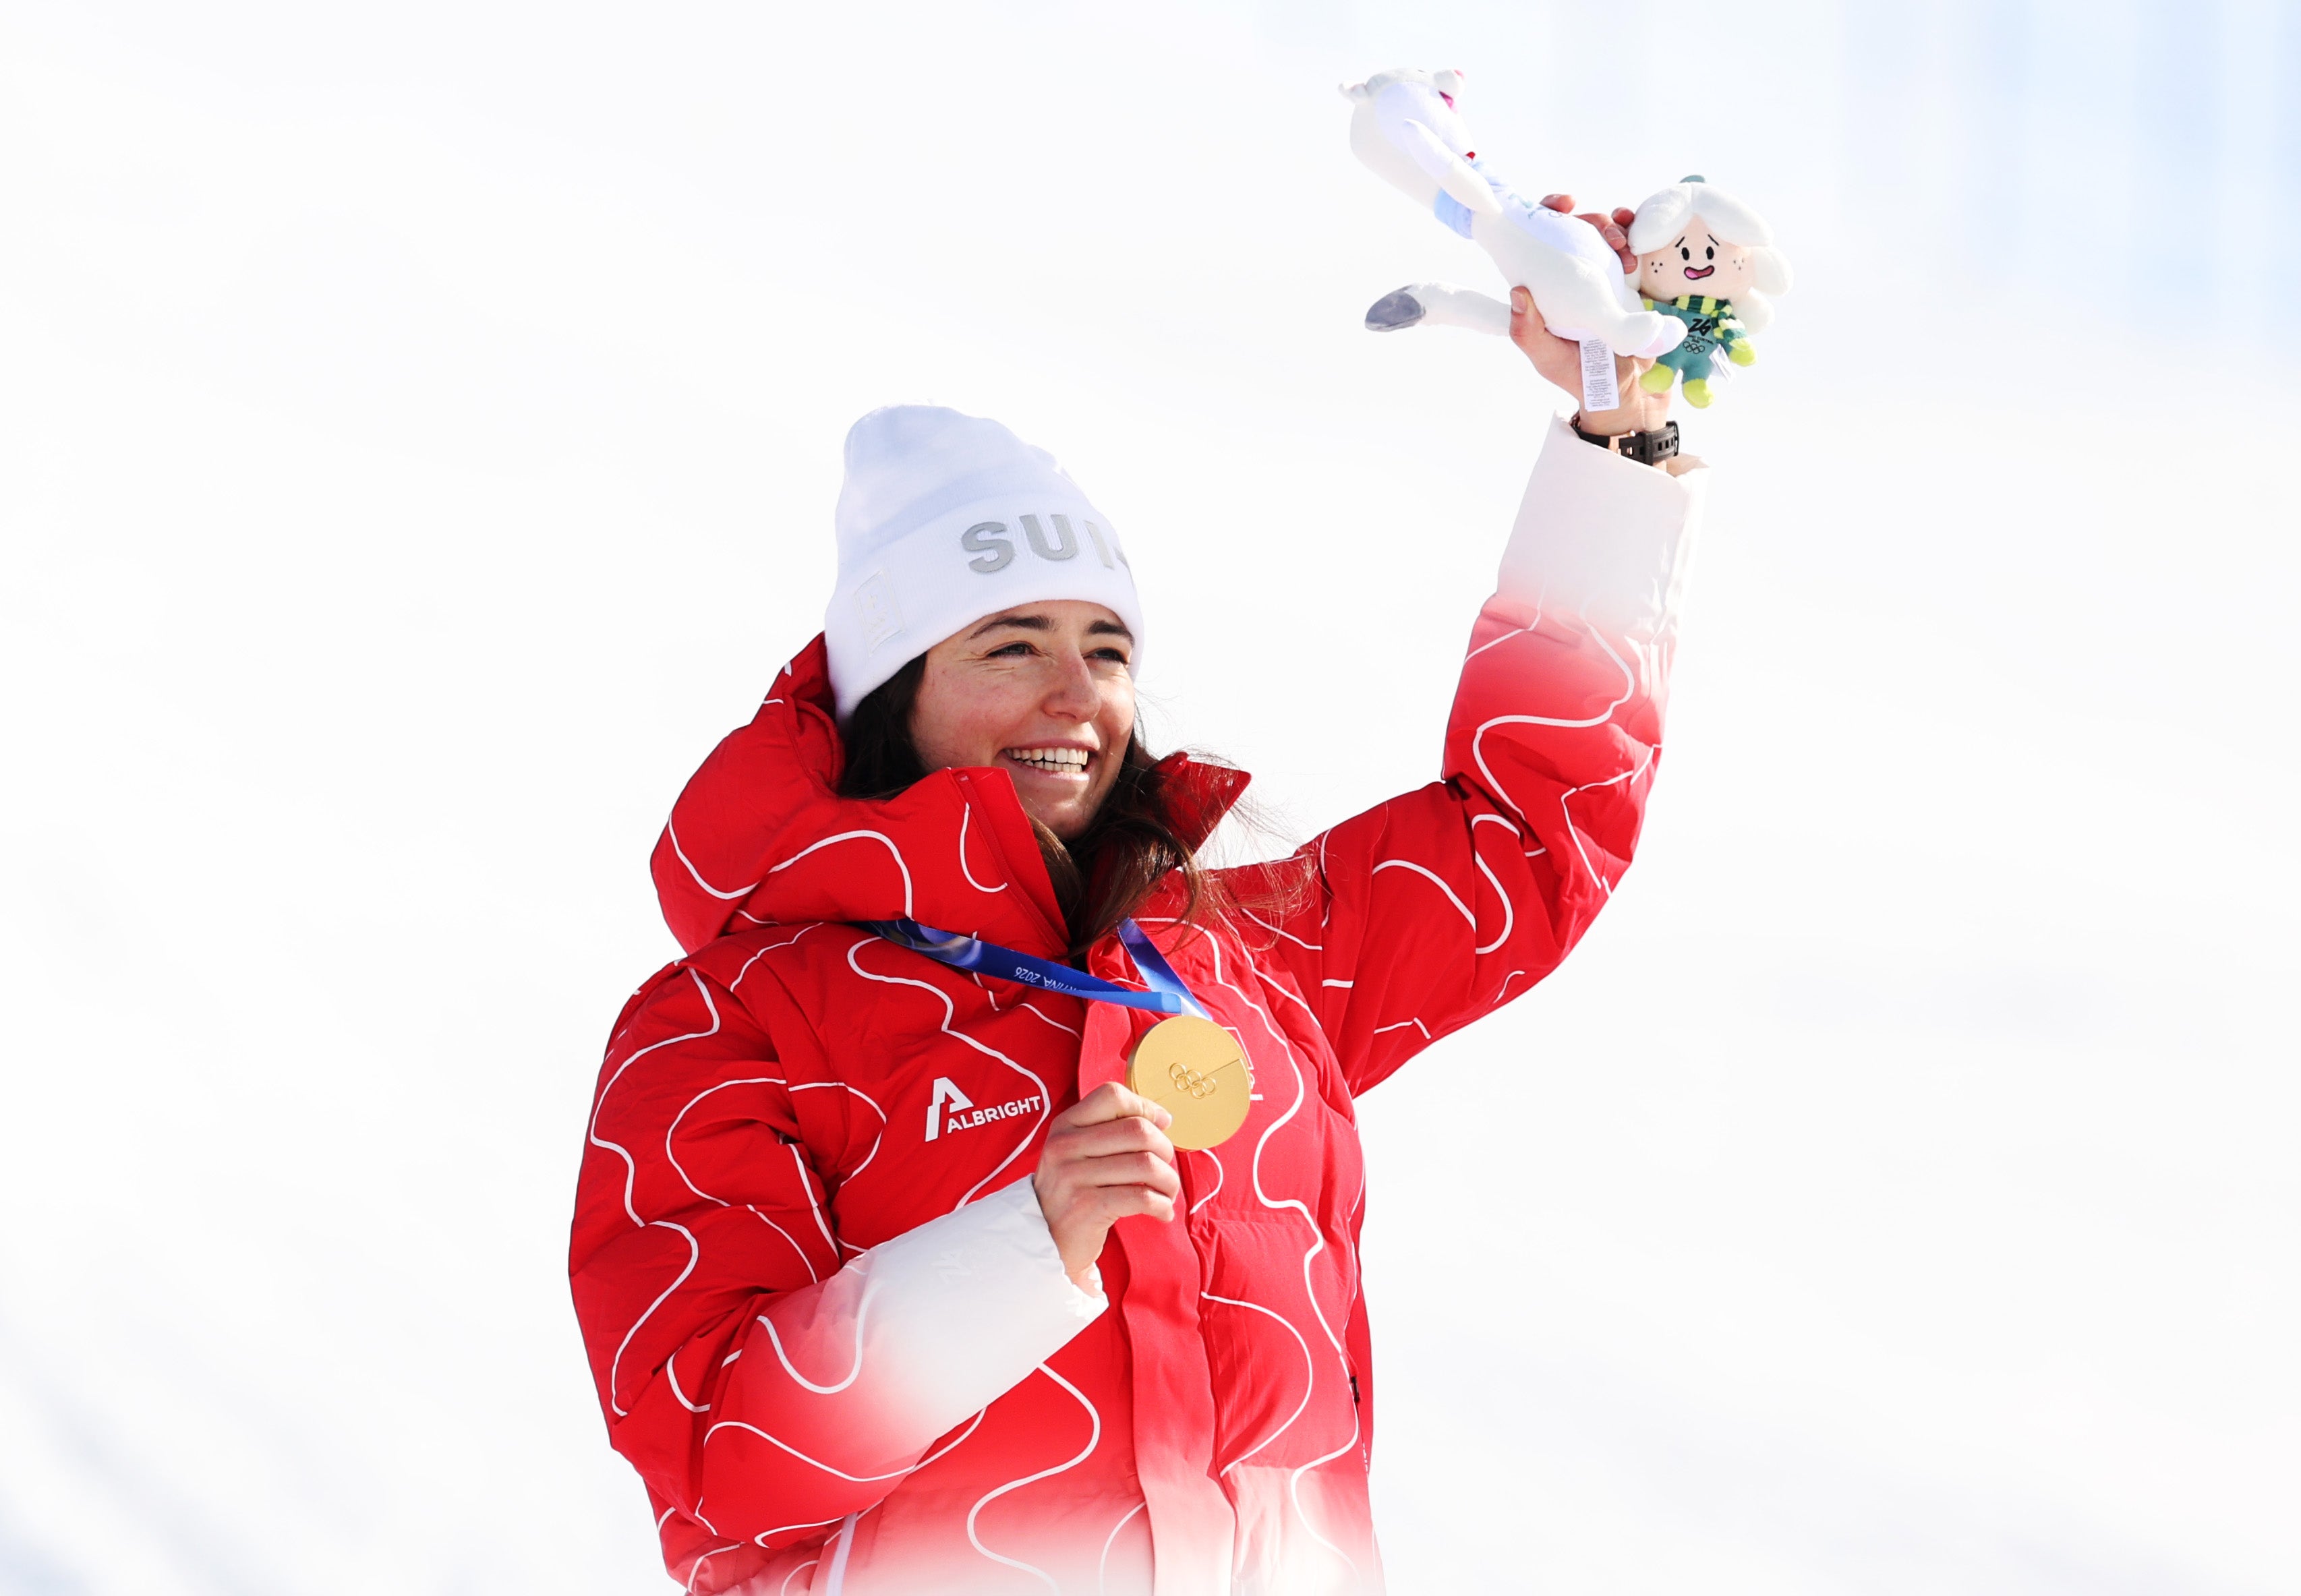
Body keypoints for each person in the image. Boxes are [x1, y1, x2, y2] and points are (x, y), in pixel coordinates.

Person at [571, 231, 1708, 1596]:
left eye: (1105, 649)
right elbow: (714, 1462)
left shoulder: (1242, 959)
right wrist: (1021, 1246)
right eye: (1010, 647)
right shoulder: (732, 1024)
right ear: (893, 695)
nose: (1078, 696)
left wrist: (1616, 447)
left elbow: (1526, 828)